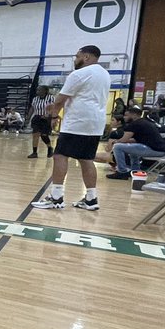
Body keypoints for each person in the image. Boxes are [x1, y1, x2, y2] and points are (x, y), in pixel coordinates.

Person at [33, 45, 110, 211]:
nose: (75, 60)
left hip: (77, 122)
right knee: (86, 159)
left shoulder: (79, 74)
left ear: (86, 57)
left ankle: (56, 197)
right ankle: (91, 198)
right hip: (95, 123)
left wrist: (54, 115)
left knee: (60, 156)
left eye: (77, 56)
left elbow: (61, 99)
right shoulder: (104, 74)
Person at [103, 104, 165, 178]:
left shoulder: (135, 124)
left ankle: (122, 172)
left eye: (126, 115)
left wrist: (114, 142)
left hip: (154, 150)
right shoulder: (143, 122)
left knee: (117, 147)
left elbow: (124, 140)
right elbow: (134, 140)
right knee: (132, 148)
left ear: (134, 115)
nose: (124, 117)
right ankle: (135, 170)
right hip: (160, 150)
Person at [26, 85, 54, 158]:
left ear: (45, 91)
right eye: (37, 90)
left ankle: (50, 148)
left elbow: (53, 107)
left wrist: (48, 114)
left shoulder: (50, 98)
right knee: (35, 135)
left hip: (46, 118)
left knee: (44, 135)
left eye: (39, 90)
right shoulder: (35, 99)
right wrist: (28, 118)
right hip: (37, 117)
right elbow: (32, 108)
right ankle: (34, 152)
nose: (37, 91)